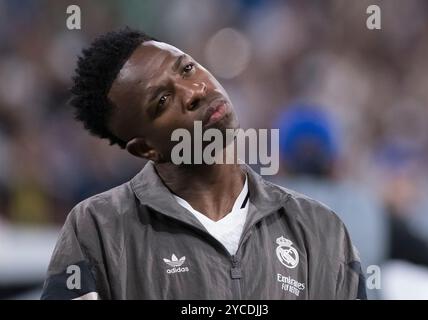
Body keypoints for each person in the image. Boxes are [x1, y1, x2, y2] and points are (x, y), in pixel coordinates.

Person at [41, 28, 366, 300]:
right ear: (145, 149)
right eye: (163, 101)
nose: (195, 91)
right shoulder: (97, 230)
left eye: (187, 69)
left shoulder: (320, 228)